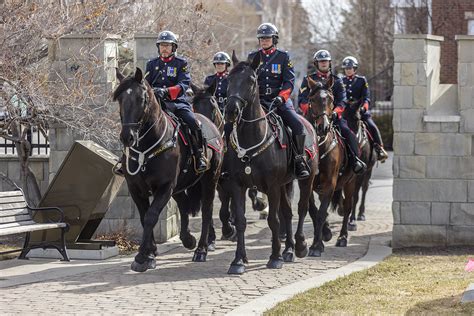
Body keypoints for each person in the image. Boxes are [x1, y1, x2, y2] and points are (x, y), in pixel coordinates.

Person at [114, 30, 207, 175]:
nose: (164, 48)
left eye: (167, 45)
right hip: (157, 104)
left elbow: (184, 84)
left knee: (193, 122)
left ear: (173, 48)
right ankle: (124, 157)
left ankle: (199, 155)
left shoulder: (181, 63)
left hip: (177, 103)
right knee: (135, 123)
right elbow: (145, 84)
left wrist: (167, 91)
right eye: (162, 45)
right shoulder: (152, 64)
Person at [230, 22, 310, 179]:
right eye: (261, 38)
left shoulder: (283, 57)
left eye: (267, 38)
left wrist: (282, 97)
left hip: (278, 100)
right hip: (257, 101)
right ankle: (232, 162)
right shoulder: (252, 57)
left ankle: (299, 160)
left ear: (274, 39)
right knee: (233, 124)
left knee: (297, 125)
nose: (264, 41)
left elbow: (289, 82)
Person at [298, 49, 366, 174]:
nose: (323, 63)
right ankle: (297, 162)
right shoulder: (308, 79)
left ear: (329, 63)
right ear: (316, 63)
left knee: (348, 133)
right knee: (297, 133)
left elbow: (342, 100)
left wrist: (335, 112)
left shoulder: (337, 80)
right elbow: (301, 99)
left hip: (333, 118)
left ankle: (355, 160)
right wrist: (310, 112)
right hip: (312, 117)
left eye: (326, 61)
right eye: (321, 61)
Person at [341, 56, 388, 162]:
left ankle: (379, 148)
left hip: (360, 111)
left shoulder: (361, 80)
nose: (348, 70)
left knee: (372, 126)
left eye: (350, 68)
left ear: (354, 69)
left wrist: (364, 108)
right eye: (346, 68)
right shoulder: (340, 81)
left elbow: (366, 97)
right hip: (345, 112)